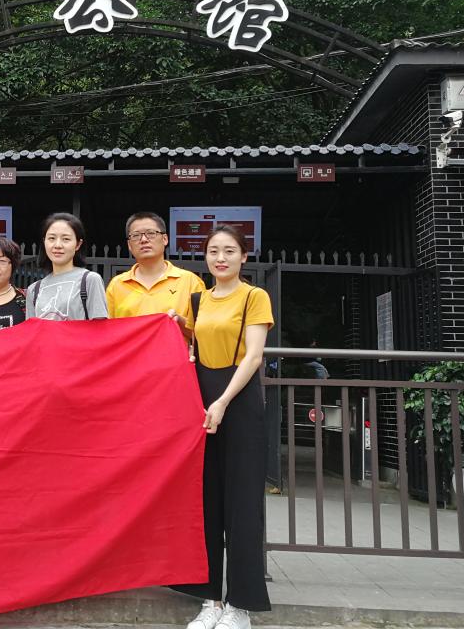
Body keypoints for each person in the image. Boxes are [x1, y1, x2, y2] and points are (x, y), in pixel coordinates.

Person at [176, 225, 272, 629]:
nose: (221, 258)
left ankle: (240, 605)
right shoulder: (198, 300)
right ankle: (210, 599)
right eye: (214, 251)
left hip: (239, 400)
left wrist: (222, 401)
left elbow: (253, 357)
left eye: (230, 251)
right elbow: (192, 349)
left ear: (244, 256)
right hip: (202, 400)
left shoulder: (254, 296)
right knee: (206, 502)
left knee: (242, 506)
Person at [106, 211, 204, 334]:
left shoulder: (190, 281)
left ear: (165, 239)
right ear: (129, 245)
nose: (143, 239)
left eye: (151, 233)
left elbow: (204, 334)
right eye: (136, 235)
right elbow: (108, 332)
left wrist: (178, 320)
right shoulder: (117, 285)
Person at [26, 212, 107, 321]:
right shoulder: (33, 290)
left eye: (66, 239)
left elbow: (100, 327)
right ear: (44, 241)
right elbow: (32, 330)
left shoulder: (90, 280)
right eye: (52, 238)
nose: (57, 245)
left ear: (78, 244)